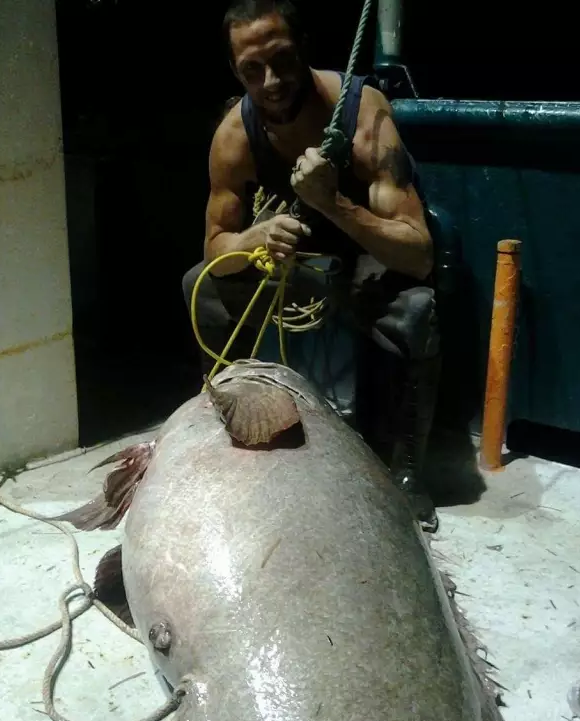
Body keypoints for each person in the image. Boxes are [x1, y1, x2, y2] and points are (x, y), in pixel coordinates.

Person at [182, 0, 441, 533]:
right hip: (289, 273)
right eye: (253, 70)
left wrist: (332, 204)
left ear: (302, 50)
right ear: (236, 72)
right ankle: (231, 434)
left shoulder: (362, 114)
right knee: (200, 289)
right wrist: (252, 239)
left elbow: (418, 255)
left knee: (416, 312)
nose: (271, 81)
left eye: (281, 61)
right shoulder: (235, 135)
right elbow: (214, 247)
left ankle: (404, 474)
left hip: (361, 267)